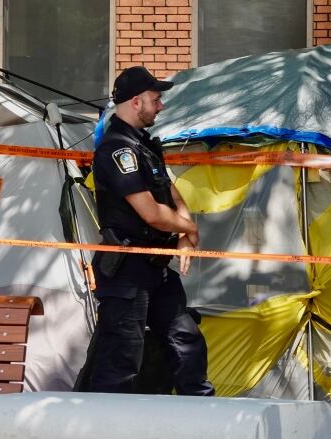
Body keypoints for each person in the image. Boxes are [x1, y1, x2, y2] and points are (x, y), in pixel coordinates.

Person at [87, 66, 215, 396]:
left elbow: (171, 193)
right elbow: (151, 213)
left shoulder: (143, 145)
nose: (161, 106)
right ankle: (107, 427)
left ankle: (203, 417)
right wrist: (188, 228)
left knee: (186, 343)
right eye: (156, 99)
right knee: (121, 358)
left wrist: (186, 232)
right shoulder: (117, 150)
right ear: (135, 101)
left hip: (157, 267)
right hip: (127, 269)